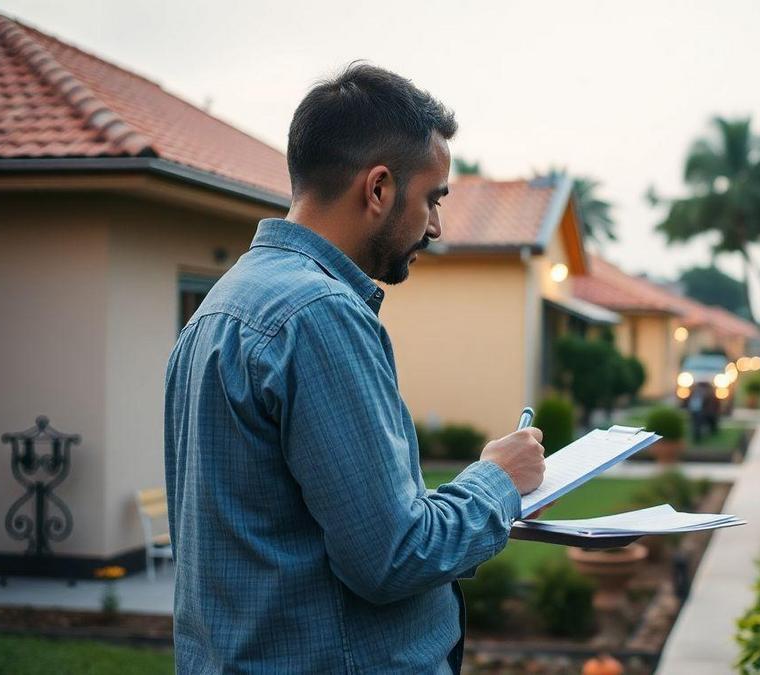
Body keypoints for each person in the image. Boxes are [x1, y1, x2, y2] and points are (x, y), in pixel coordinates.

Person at [164, 63, 546, 674]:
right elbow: (393, 555)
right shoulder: (318, 317)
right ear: (378, 190)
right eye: (433, 199)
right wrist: (497, 479)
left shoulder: (218, 306)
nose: (437, 227)